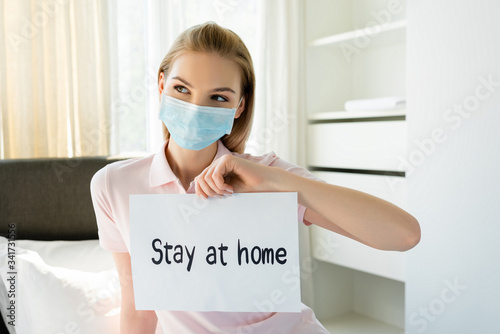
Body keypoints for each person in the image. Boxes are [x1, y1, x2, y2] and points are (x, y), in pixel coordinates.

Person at [90, 21, 420, 334]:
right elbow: (137, 305)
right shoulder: (114, 185)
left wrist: (278, 182)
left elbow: (403, 235)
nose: (195, 108)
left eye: (218, 97)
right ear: (162, 85)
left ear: (239, 106)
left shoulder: (267, 175)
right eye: (181, 89)